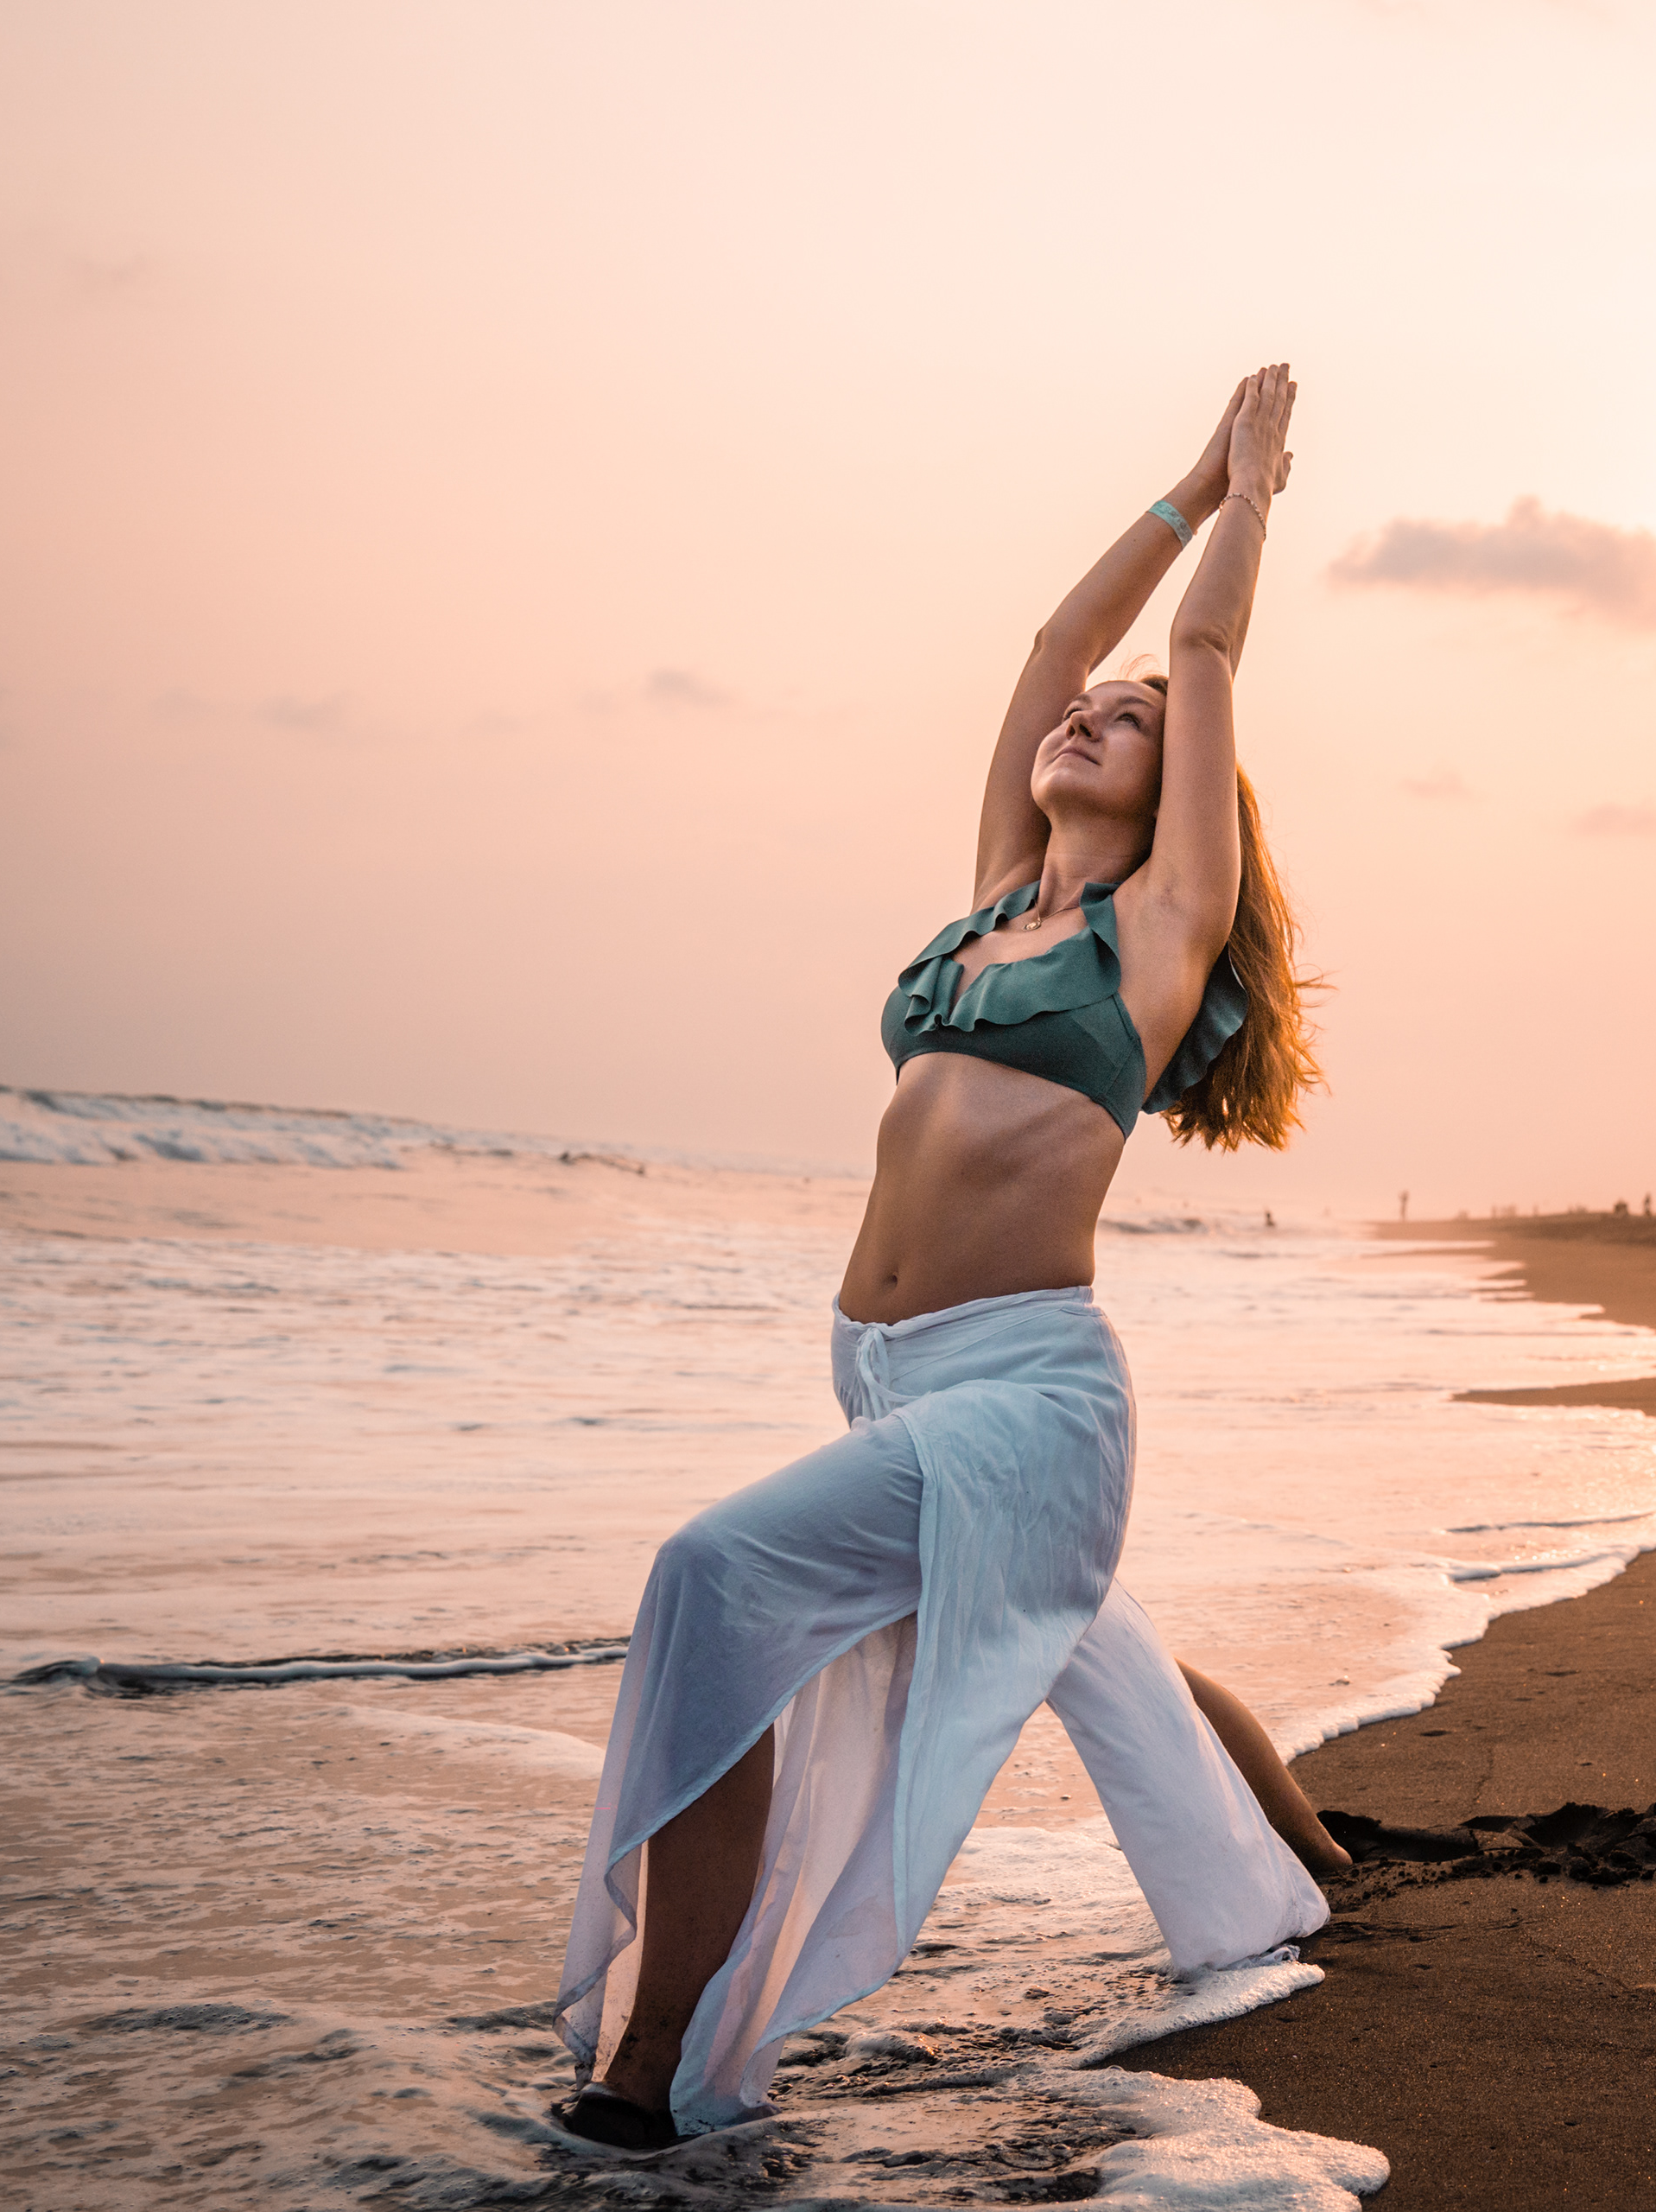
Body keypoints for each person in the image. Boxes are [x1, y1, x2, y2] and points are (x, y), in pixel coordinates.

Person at [549, 367, 1341, 2151]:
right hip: (892, 1376)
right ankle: (1287, 1851)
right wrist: (1170, 478)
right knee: (1078, 1630)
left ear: (1180, 800)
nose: (1101, 709)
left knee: (713, 1580)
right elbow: (1062, 636)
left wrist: (1252, 493)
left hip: (1029, 1394)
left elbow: (1199, 660)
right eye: (1094, 711)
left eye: (1131, 725)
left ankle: (658, 2057)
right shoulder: (996, 902)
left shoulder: (1158, 928)